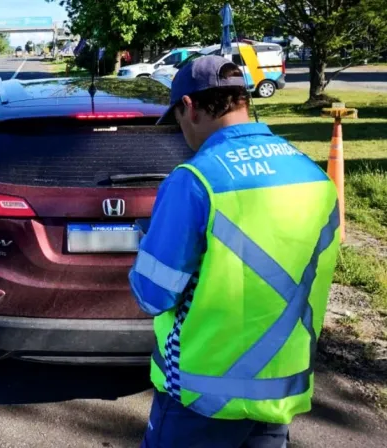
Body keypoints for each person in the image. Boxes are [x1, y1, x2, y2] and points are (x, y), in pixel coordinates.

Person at [129, 55, 341, 447]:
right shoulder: (313, 176)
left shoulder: (194, 181)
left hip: (197, 399)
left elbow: (152, 295)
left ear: (188, 107)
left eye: (177, 118)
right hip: (278, 394)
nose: (181, 131)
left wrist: (148, 246)